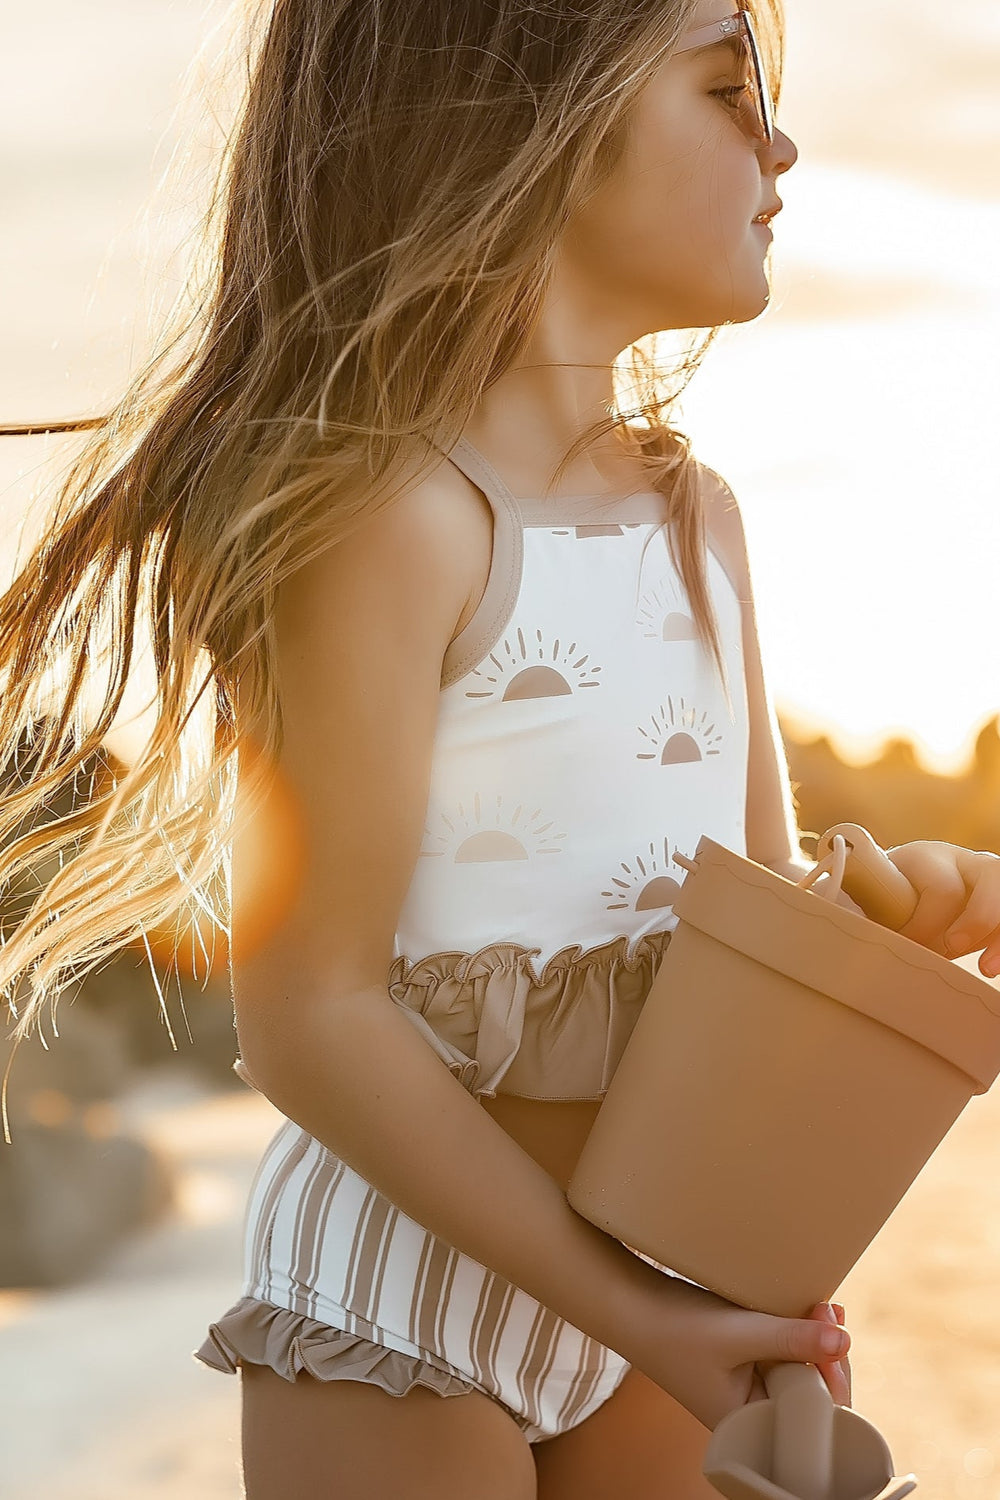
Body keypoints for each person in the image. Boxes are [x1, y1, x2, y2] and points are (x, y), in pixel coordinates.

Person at [3, 0, 1000, 1495]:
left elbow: (740, 927)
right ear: (532, 122)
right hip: (411, 1298)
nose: (782, 145)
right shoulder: (391, 518)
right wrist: (641, 1316)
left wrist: (888, 907)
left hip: (662, 1266)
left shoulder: (697, 517)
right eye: (729, 92)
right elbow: (313, 1015)